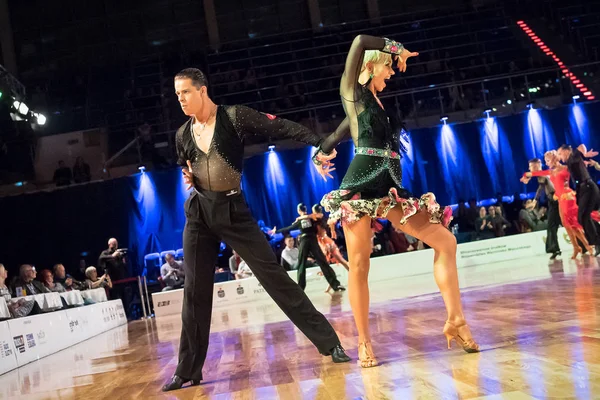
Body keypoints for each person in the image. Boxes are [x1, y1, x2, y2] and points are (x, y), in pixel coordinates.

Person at [163, 68, 350, 392]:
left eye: (185, 93)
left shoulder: (234, 117)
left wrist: (320, 142)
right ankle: (188, 370)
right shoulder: (182, 134)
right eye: (177, 95)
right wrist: (189, 179)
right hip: (198, 214)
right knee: (194, 291)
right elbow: (187, 168)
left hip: (233, 210)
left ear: (203, 90)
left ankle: (329, 342)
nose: (180, 99)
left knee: (275, 278)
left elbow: (280, 126)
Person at [313, 34, 479, 368]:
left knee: (445, 241)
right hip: (359, 189)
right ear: (372, 65)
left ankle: (456, 320)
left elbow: (341, 132)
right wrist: (397, 48)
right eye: (387, 67)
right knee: (360, 265)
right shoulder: (353, 92)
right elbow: (359, 40)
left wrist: (323, 149)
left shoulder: (372, 105)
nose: (391, 73)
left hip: (390, 190)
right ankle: (363, 342)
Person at [524, 150, 597, 258]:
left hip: (565, 198)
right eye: (546, 161)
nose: (547, 163)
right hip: (559, 199)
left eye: (548, 160)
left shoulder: (563, 169)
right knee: (568, 225)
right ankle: (579, 247)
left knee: (575, 222)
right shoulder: (550, 172)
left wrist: (571, 192)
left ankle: (587, 245)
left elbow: (576, 176)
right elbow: (538, 181)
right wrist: (526, 176)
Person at [273, 203, 345, 291]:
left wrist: (276, 231)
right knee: (323, 262)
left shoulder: (300, 220)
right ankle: (335, 284)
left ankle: (300, 288)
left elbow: (289, 228)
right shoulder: (312, 218)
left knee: (301, 264)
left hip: (304, 241)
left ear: (299, 211)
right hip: (313, 240)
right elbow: (321, 218)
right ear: (305, 209)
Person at [557, 144, 600, 256]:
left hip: (588, 187)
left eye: (560, 154)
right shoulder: (570, 162)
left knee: (583, 216)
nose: (560, 157)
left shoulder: (574, 156)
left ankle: (596, 241)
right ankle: (597, 239)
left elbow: (581, 147)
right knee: (582, 218)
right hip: (583, 189)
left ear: (566, 151)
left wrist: (584, 154)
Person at [520, 158, 561, 259]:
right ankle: (554, 248)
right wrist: (535, 200)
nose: (530, 168)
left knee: (557, 224)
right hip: (553, 201)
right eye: (530, 167)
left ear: (537, 166)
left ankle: (555, 248)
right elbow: (541, 187)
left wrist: (535, 200)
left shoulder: (543, 174)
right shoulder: (541, 175)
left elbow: (542, 187)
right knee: (553, 225)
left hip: (557, 200)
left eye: (531, 166)